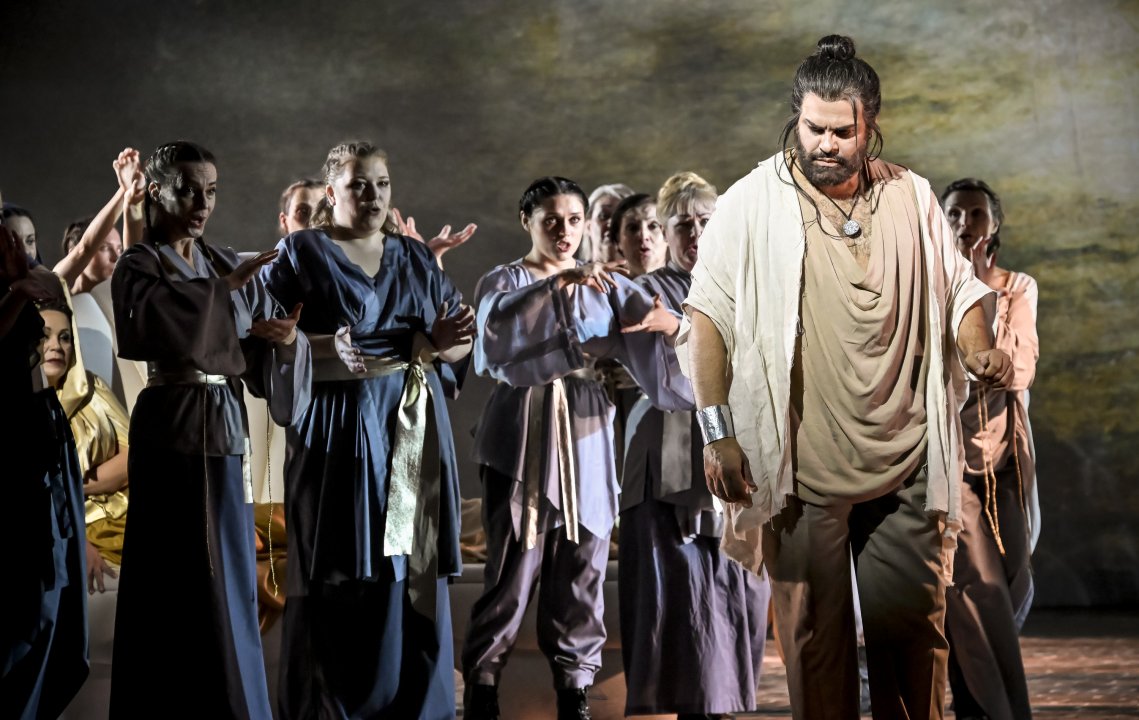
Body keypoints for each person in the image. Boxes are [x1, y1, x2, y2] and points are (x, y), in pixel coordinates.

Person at [679, 35, 1012, 720]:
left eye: (842, 131)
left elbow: (957, 289)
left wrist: (977, 346)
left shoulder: (910, 195)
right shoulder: (751, 203)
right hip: (801, 467)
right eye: (813, 129)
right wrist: (718, 433)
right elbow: (707, 316)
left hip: (905, 455)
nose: (825, 145)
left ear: (870, 125)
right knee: (814, 645)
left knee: (913, 642)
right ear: (795, 120)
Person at [261, 140, 474, 720]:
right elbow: (265, 335)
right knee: (345, 566)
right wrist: (320, 346)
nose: (372, 195)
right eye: (358, 184)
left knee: (414, 566)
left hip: (412, 422)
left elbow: (457, 344)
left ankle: (416, 705)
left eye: (381, 184)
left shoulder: (414, 257)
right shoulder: (303, 251)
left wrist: (445, 341)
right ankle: (341, 705)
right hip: (340, 428)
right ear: (331, 193)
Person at [461, 176, 678, 720]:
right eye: (551, 220)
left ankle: (574, 690)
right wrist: (558, 285)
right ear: (527, 222)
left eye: (575, 220)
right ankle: (484, 685)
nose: (564, 231)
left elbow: (652, 330)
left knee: (583, 564)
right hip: (523, 426)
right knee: (512, 568)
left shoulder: (601, 281)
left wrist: (671, 326)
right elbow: (493, 338)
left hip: (585, 427)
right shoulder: (507, 279)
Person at [109, 140, 311, 719]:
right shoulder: (138, 265)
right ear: (156, 191)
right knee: (174, 575)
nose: (202, 204)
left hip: (223, 428)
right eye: (189, 190)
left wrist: (284, 339)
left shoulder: (221, 261)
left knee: (227, 573)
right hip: (170, 427)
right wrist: (222, 293)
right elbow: (149, 327)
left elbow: (253, 347)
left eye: (212, 191)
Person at [618, 171, 770, 719]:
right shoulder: (645, 292)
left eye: (706, 221)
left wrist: (679, 330)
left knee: (738, 587)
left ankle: (724, 705)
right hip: (669, 456)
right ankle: (692, 707)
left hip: (738, 452)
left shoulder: (745, 285)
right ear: (665, 232)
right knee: (679, 588)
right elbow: (674, 384)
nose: (696, 234)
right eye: (683, 224)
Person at [941, 178, 1039, 720]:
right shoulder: (931, 288)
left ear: (994, 224)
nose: (965, 223)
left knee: (1011, 583)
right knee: (977, 587)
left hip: (1004, 464)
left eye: (976, 213)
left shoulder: (1017, 288)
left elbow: (1016, 369)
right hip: (950, 463)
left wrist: (979, 288)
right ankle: (1000, 711)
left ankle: (975, 702)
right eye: (955, 213)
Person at [0, 222, 88, 719]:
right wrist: (16, 290)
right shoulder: (15, 290)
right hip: (14, 452)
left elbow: (57, 278)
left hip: (42, 444)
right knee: (24, 614)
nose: (19, 247)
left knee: (51, 606)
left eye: (28, 239)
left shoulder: (28, 281)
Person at [578, 182, 633, 262]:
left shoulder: (648, 270)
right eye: (603, 216)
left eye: (620, 217)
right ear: (587, 226)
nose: (611, 223)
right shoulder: (572, 270)